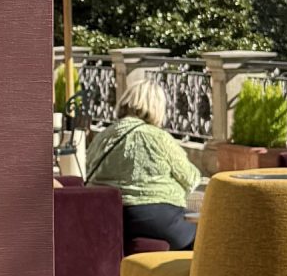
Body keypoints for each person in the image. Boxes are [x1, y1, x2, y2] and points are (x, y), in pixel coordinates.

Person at [84, 71, 203, 250]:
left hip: (106, 215)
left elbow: (88, 168)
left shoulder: (103, 135)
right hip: (155, 216)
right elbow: (191, 177)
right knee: (205, 237)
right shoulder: (157, 137)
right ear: (157, 107)